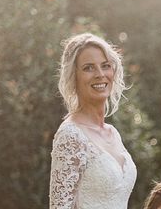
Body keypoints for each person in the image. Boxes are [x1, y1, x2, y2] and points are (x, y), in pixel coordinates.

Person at [49, 33, 137, 209]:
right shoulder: (71, 135)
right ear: (74, 76)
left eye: (105, 66)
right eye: (89, 68)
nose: (100, 74)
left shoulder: (113, 134)